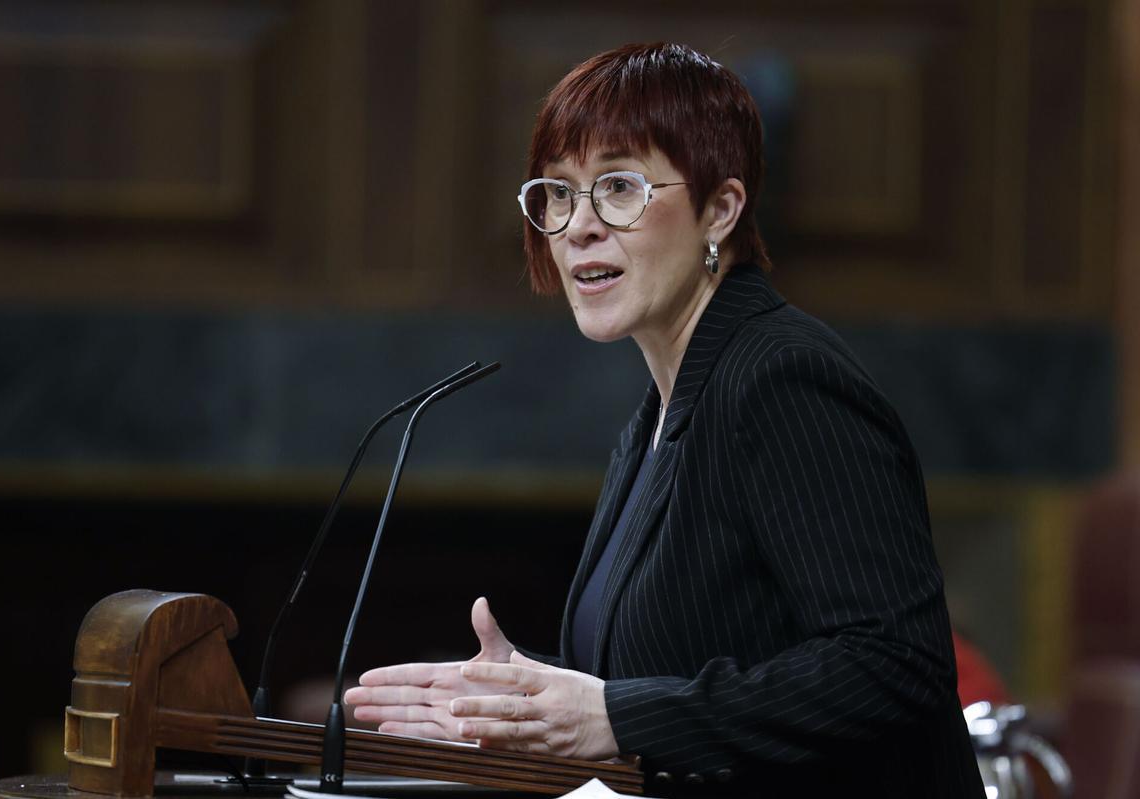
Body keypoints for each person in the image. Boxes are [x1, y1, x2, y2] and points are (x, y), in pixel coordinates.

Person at [344, 42, 984, 797]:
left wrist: (616, 715)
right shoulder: (663, 409)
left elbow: (894, 660)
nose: (578, 225)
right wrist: (529, 701)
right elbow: (683, 667)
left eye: (618, 187)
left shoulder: (780, 378)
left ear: (721, 208)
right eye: (558, 191)